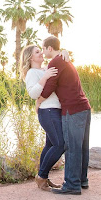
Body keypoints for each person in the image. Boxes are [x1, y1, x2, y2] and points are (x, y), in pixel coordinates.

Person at [39, 35, 91, 195]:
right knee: (82, 147)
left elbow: (48, 88)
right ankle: (82, 180)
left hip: (73, 109)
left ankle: (72, 185)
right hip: (84, 107)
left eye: (43, 48)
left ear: (49, 48)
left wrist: (38, 101)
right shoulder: (65, 60)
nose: (42, 52)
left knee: (72, 147)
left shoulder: (55, 62)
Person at [21, 45, 63, 191]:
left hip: (55, 110)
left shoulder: (45, 69)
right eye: (37, 52)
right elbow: (33, 94)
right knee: (60, 144)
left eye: (40, 51)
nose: (41, 54)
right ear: (30, 57)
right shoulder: (32, 73)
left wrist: (64, 52)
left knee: (50, 145)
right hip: (47, 111)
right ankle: (42, 176)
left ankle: (43, 178)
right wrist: (44, 77)